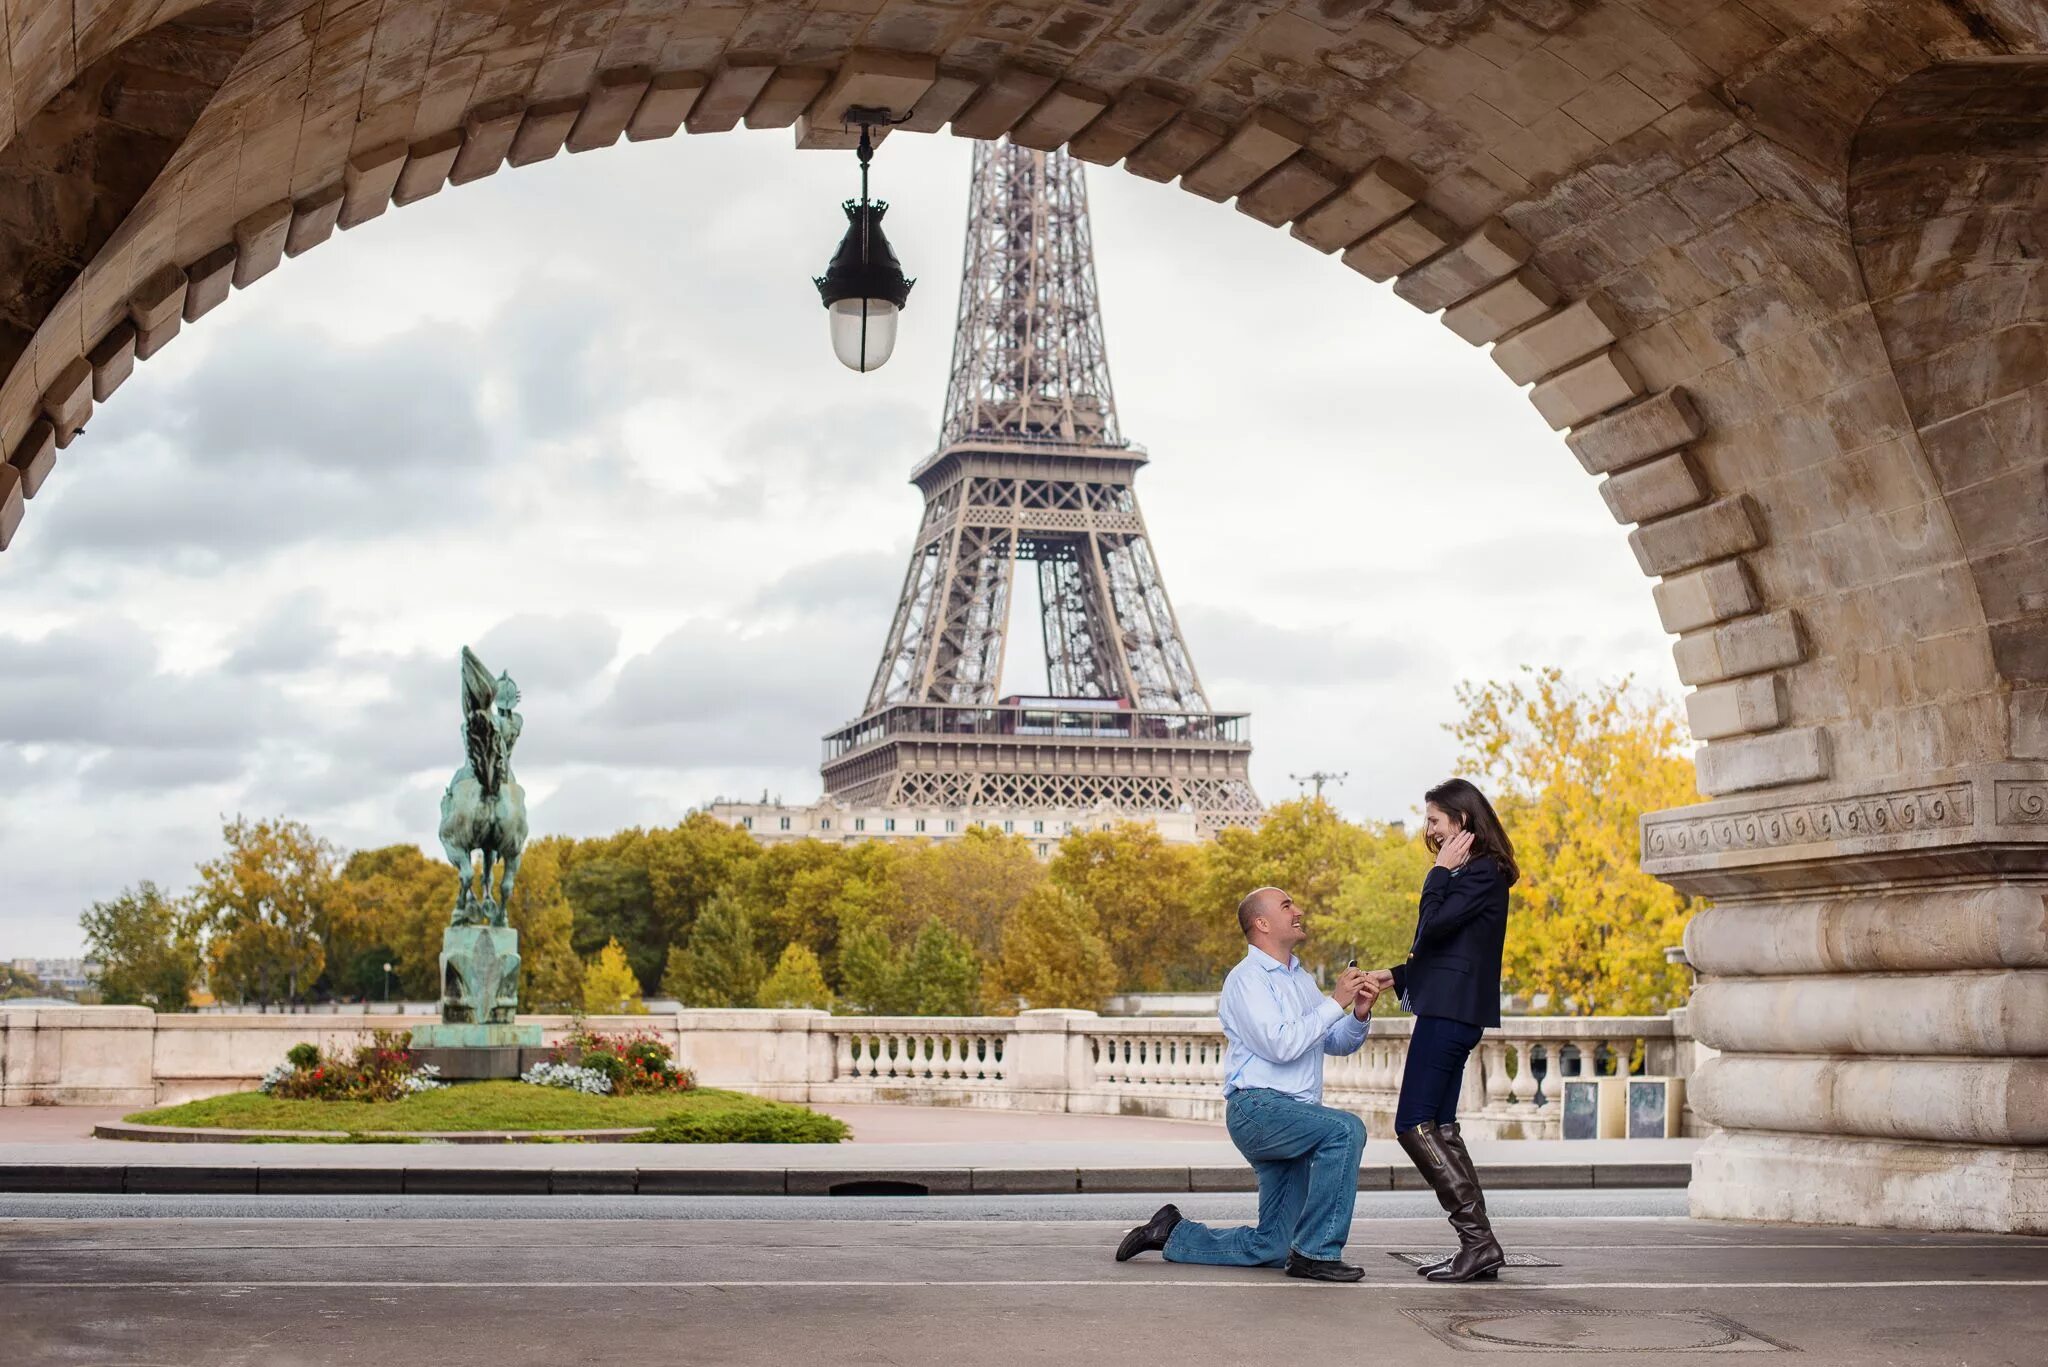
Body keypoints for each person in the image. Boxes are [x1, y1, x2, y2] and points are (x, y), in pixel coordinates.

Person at [1114, 886, 1382, 1282]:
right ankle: (1318, 1254)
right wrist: (1334, 1002)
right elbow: (1280, 1044)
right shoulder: (1246, 979)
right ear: (1261, 923)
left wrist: (1357, 1013)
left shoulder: (1300, 978)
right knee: (1345, 1130)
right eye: (1287, 905)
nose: (1299, 911)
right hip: (1258, 1110)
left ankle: (1172, 1231)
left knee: (1273, 1247)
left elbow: (1334, 1041)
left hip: (1294, 1117)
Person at [1363, 777, 1517, 1283]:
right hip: (1452, 1009)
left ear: (1462, 822)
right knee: (1441, 1127)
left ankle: (1479, 1240)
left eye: (1434, 820)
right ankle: (1479, 1245)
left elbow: (1433, 927)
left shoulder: (1478, 874)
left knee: (1413, 1123)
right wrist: (1398, 976)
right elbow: (1453, 949)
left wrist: (1437, 874)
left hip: (1450, 1014)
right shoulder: (1477, 873)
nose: (1427, 829)